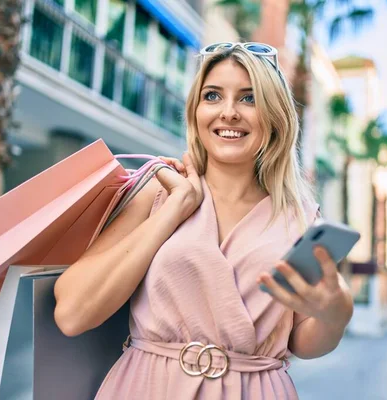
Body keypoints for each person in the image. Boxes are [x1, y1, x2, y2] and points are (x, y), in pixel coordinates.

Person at [53, 42, 354, 399]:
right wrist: (176, 209)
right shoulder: (161, 189)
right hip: (149, 388)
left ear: (275, 116)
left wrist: (335, 316)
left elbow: (302, 342)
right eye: (212, 96)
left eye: (249, 98)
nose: (228, 112)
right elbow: (72, 314)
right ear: (195, 111)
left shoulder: (300, 218)